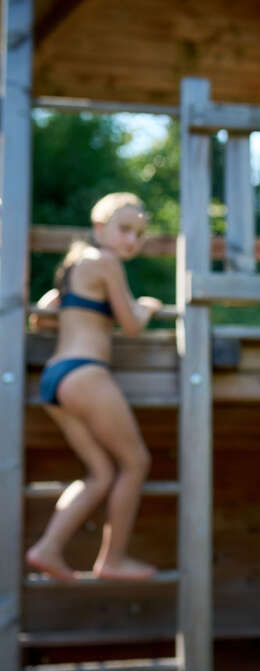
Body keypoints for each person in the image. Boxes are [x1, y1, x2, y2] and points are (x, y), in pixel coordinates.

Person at [26, 192, 163, 582]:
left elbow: (42, 317)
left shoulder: (73, 266)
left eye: (139, 234)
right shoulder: (106, 262)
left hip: (56, 378)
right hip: (85, 373)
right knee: (135, 463)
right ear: (100, 227)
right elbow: (131, 324)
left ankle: (48, 548)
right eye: (124, 229)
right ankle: (112, 559)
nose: (132, 240)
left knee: (102, 472)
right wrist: (149, 307)